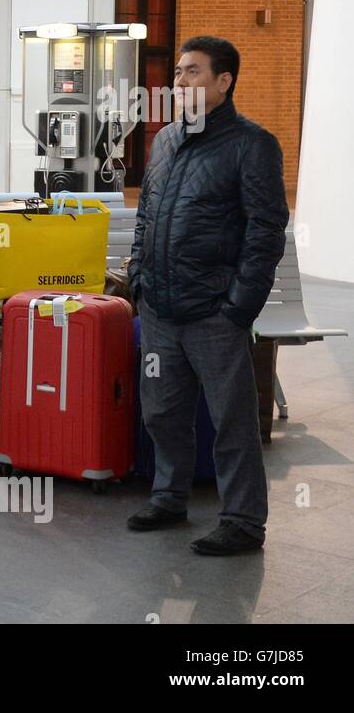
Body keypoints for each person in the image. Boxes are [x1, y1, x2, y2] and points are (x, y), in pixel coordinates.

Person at [126, 35, 288, 556]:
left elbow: (266, 229)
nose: (180, 81)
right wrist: (138, 276)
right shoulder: (166, 140)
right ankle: (169, 497)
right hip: (160, 310)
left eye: (192, 72)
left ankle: (242, 521)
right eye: (177, 72)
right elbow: (146, 213)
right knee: (161, 412)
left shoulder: (251, 144)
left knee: (232, 421)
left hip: (214, 313)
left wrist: (239, 305)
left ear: (224, 81)